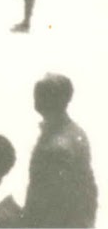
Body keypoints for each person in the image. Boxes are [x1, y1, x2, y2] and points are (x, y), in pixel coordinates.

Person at [24, 73, 97, 228]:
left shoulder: (58, 145)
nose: (36, 97)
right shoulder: (70, 132)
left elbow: (54, 197)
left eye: (42, 93)